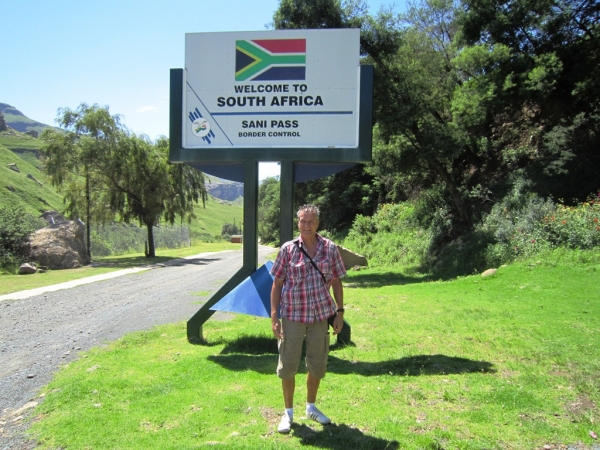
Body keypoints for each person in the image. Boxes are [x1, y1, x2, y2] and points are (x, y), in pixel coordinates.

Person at [270, 204, 346, 434]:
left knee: (317, 364)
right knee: (288, 366)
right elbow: (277, 284)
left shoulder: (329, 248)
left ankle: (311, 407)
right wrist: (275, 315)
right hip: (292, 316)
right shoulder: (287, 249)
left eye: (311, 221)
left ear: (318, 223)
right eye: (303, 221)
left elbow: (337, 281)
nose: (307, 225)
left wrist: (340, 312)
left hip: (319, 317)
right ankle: (288, 413)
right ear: (298, 223)